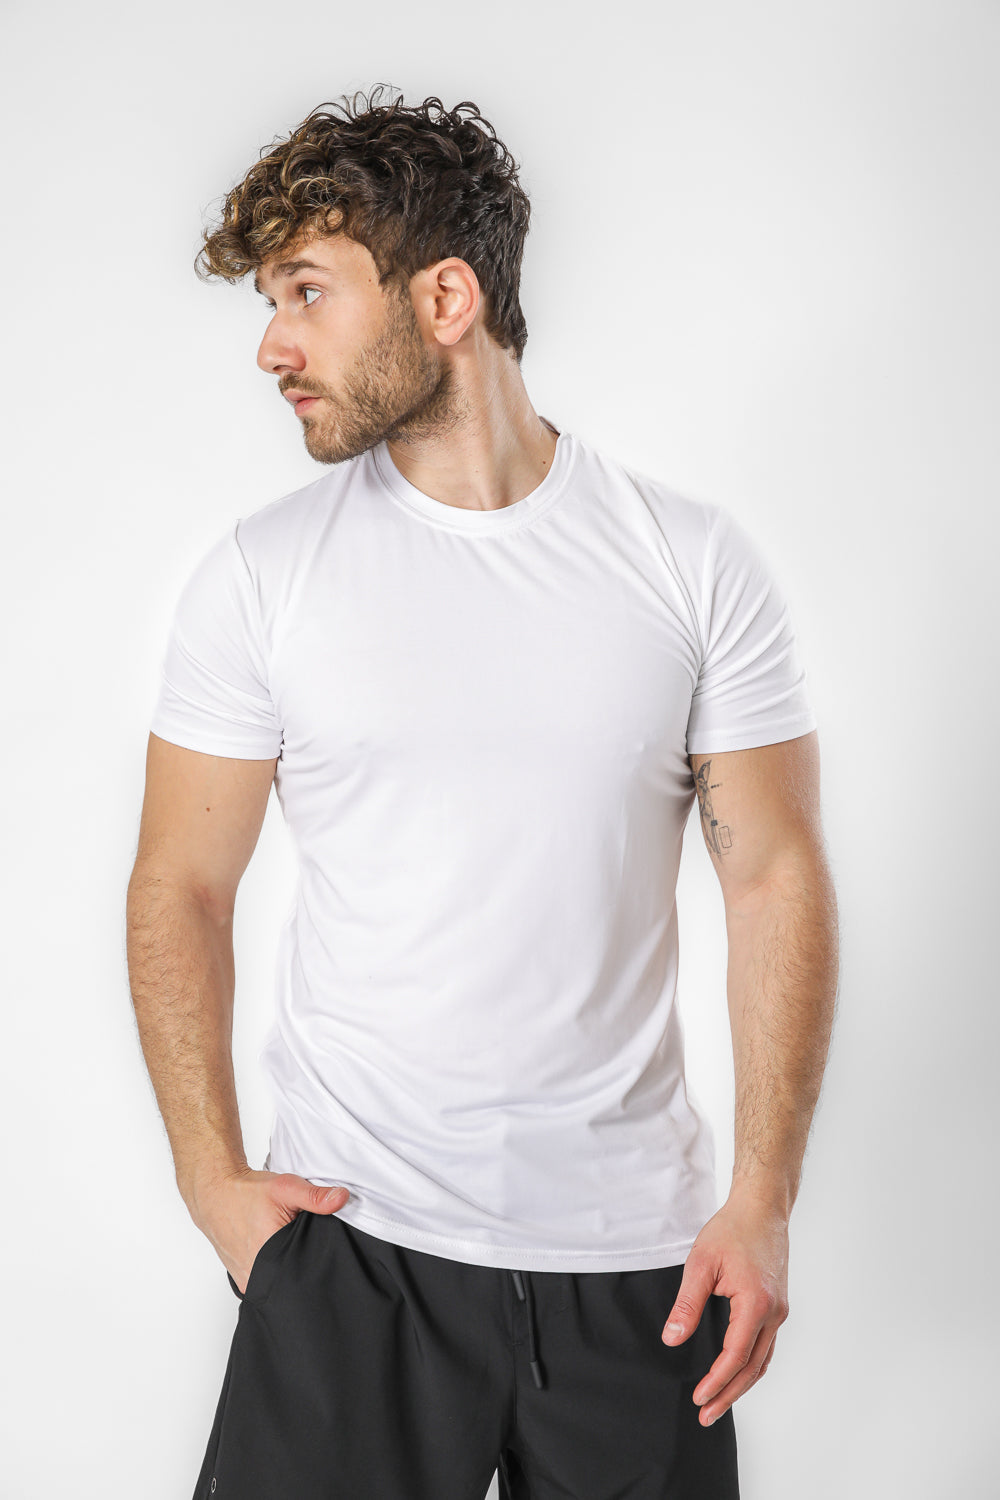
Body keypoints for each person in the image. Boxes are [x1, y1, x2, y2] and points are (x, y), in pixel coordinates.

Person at [126, 84, 839, 1500]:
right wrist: (216, 1186)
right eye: (271, 302)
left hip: (641, 1274)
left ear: (445, 298)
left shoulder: (690, 562)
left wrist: (763, 1199)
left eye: (308, 292)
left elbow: (774, 875)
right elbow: (180, 885)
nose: (274, 345)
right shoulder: (262, 579)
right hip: (353, 1251)